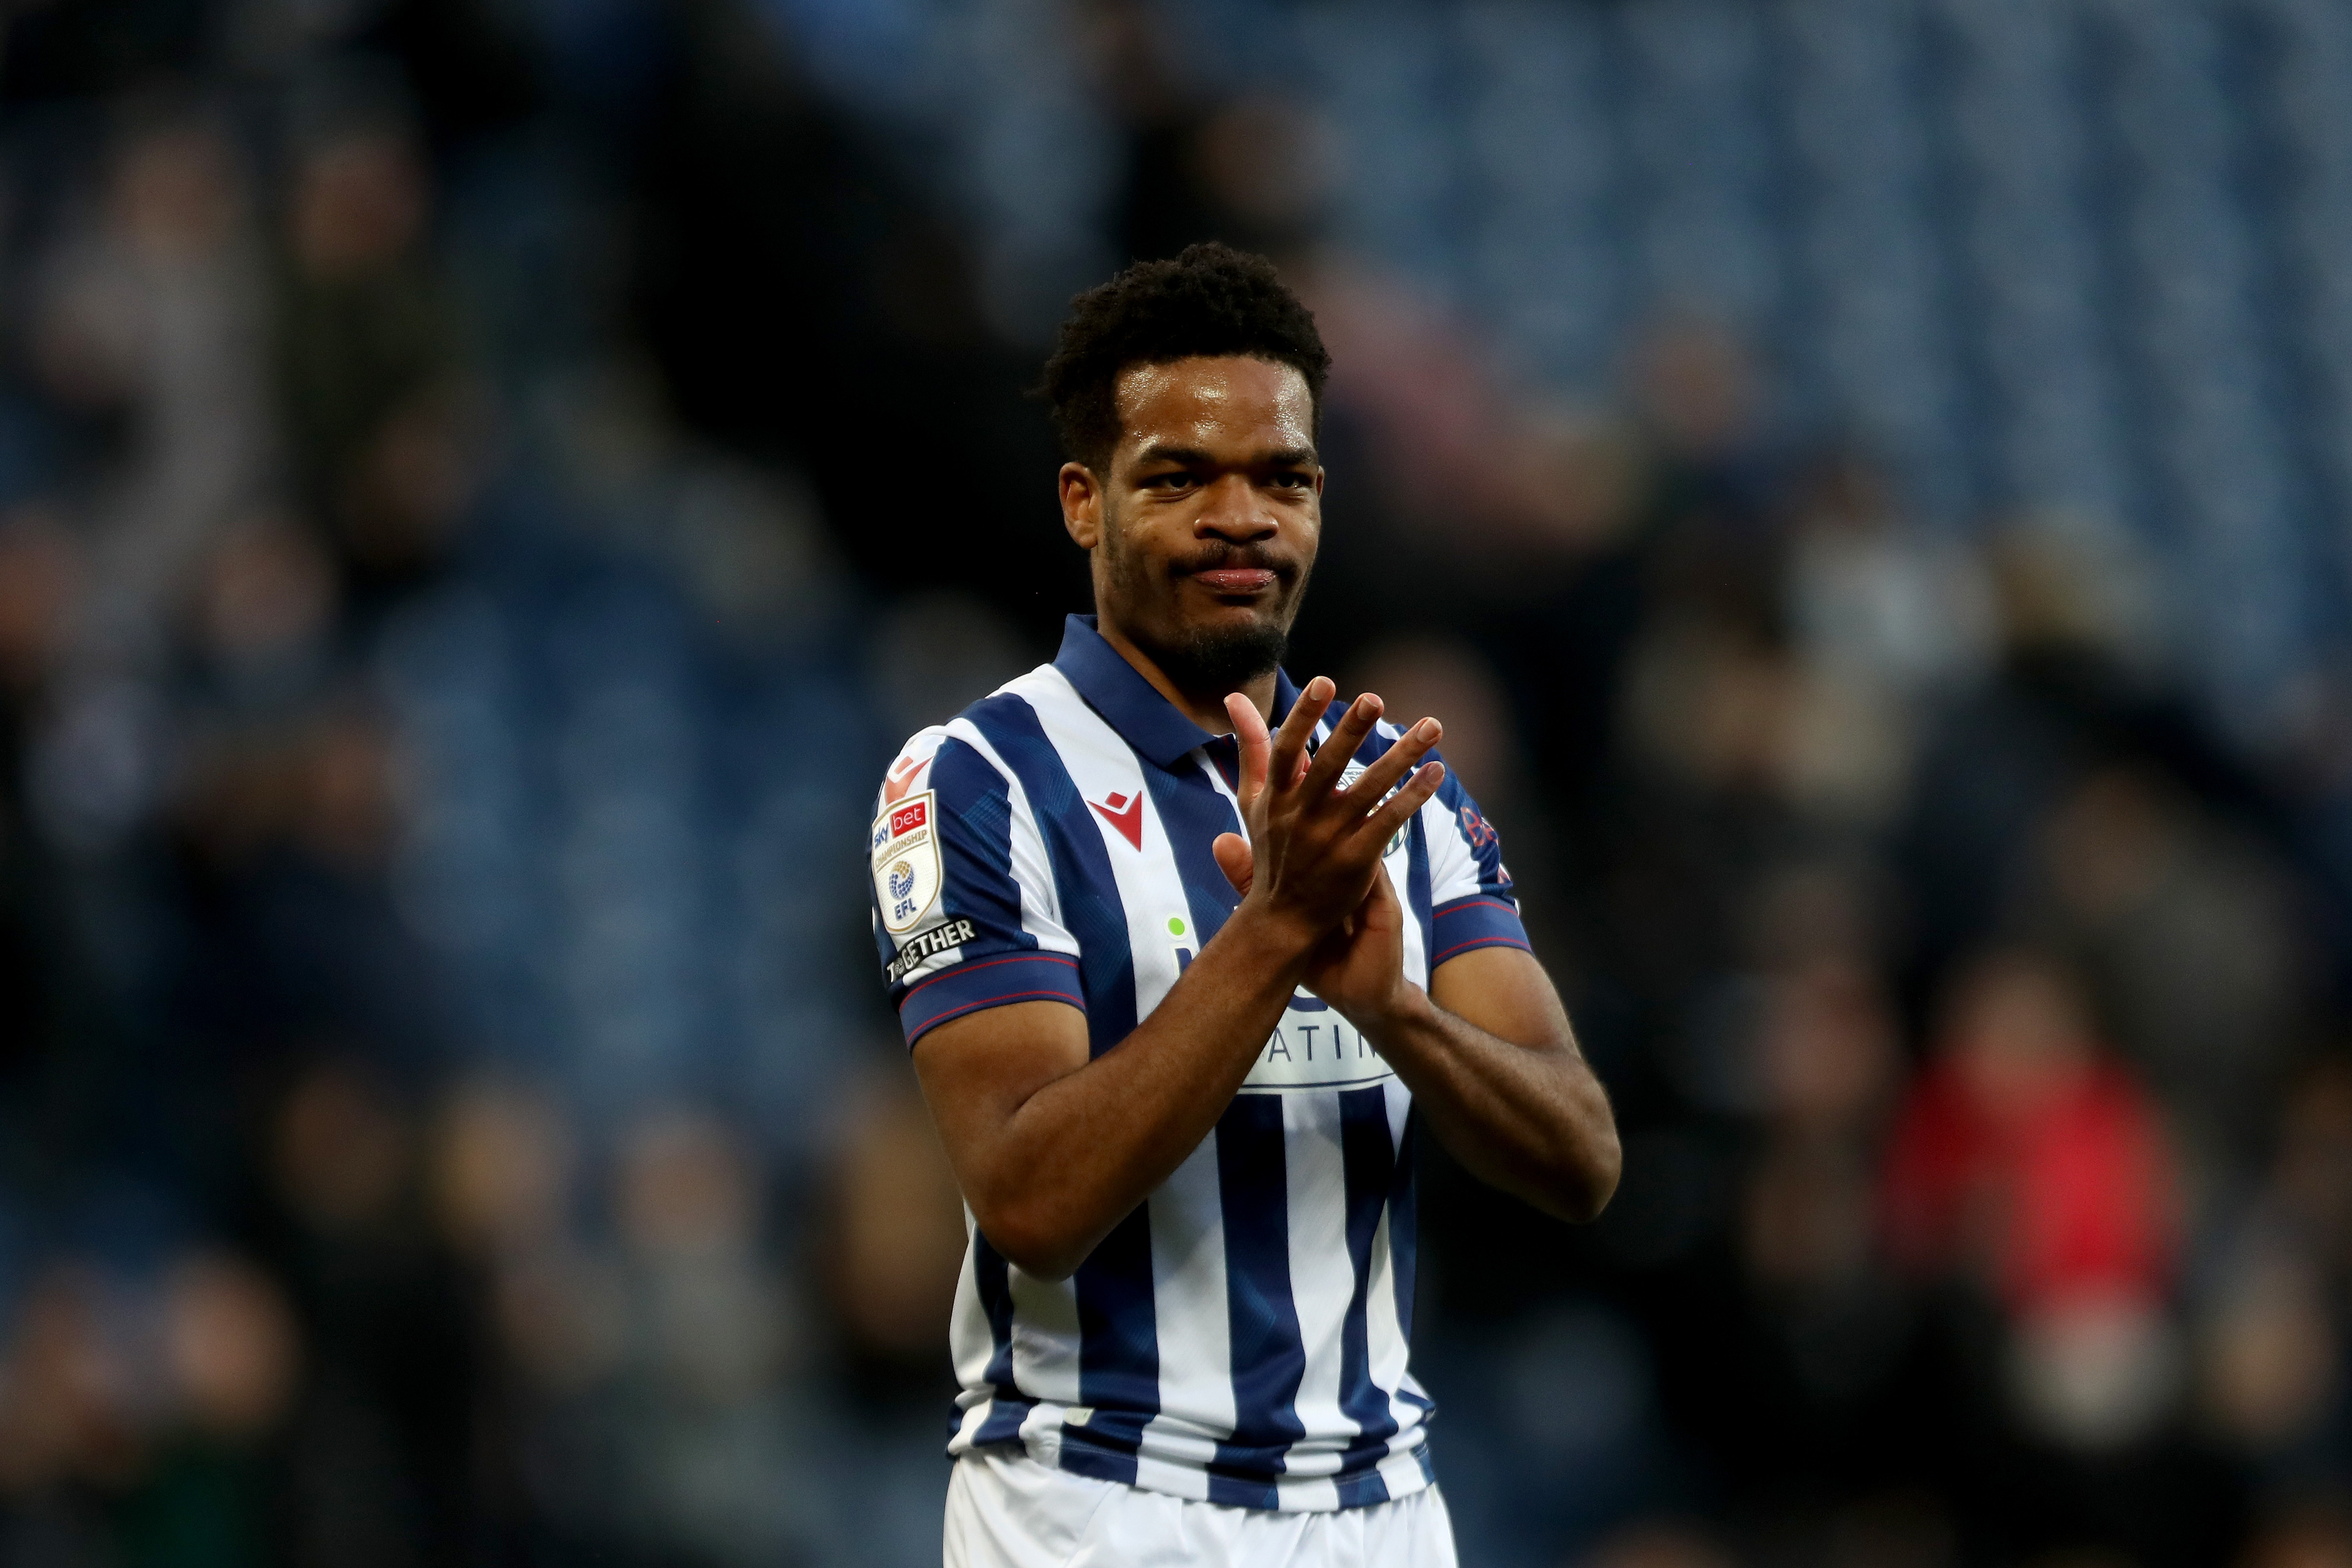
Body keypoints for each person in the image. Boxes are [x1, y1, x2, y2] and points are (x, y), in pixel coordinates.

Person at [867, 243, 1622, 1567]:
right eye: (1179, 478)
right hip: (1096, 1501)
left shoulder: (1409, 806)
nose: (1242, 518)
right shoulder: (974, 782)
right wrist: (1273, 936)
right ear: (1082, 503)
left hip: (1379, 1508)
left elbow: (1582, 1159)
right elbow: (1032, 1201)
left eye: (1284, 478)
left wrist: (1398, 1011)